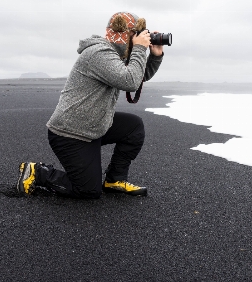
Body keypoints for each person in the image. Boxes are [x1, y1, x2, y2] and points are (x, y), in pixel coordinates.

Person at [16, 12, 164, 198]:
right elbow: (130, 81)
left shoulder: (115, 55)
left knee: (133, 127)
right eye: (137, 33)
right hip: (70, 133)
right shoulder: (99, 54)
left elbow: (138, 77)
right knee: (87, 191)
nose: (140, 38)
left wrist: (155, 55)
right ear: (125, 34)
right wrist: (140, 50)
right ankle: (38, 173)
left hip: (94, 126)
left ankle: (114, 180)